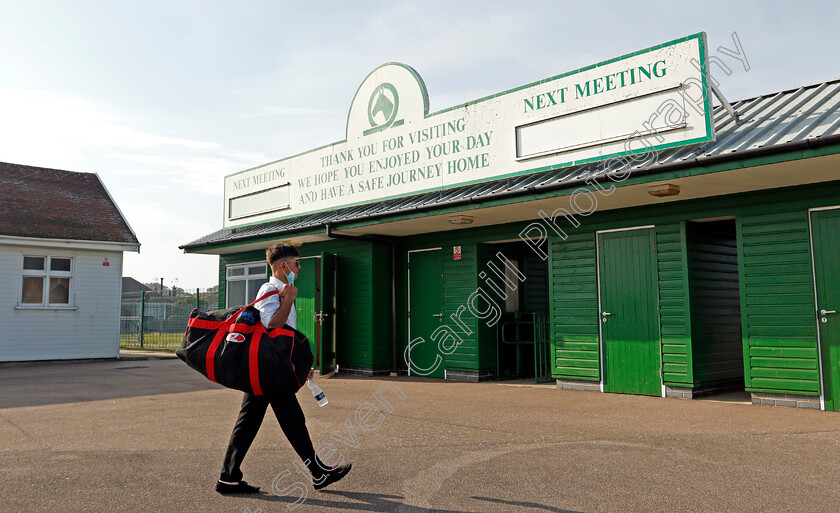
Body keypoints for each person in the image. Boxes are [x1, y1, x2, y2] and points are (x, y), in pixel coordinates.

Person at [215, 243, 351, 494]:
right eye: (296, 264)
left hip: (272, 367)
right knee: (292, 420)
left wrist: (300, 365)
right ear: (283, 266)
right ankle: (318, 473)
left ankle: (229, 477)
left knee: (252, 422)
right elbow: (271, 324)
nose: (299, 269)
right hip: (270, 370)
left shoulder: (281, 289)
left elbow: (285, 337)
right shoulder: (271, 289)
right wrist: (288, 298)